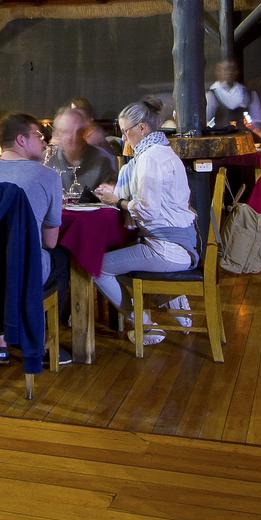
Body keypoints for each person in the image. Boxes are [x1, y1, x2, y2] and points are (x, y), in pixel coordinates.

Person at [0, 112, 72, 365]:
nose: (44, 141)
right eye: (38, 135)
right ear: (21, 140)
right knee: (60, 258)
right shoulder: (47, 176)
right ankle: (37, 341)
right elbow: (50, 241)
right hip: (20, 272)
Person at [92, 98, 197, 344]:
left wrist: (117, 201)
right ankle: (171, 299)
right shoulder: (163, 150)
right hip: (183, 241)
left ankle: (146, 327)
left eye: (125, 131)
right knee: (123, 261)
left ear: (142, 128)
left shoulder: (149, 158)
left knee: (97, 267)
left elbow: (148, 210)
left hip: (168, 249)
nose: (124, 137)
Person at [45, 105, 116, 195]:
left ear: (85, 132)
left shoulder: (103, 160)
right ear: (58, 134)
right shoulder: (47, 160)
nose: (73, 137)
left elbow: (111, 195)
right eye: (67, 132)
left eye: (78, 131)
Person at [205, 59, 261, 136]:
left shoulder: (249, 94)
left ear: (236, 72)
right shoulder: (210, 95)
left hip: (245, 139)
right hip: (220, 138)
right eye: (225, 69)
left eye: (231, 69)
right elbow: (206, 122)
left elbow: (258, 121)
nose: (229, 72)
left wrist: (252, 126)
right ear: (218, 72)